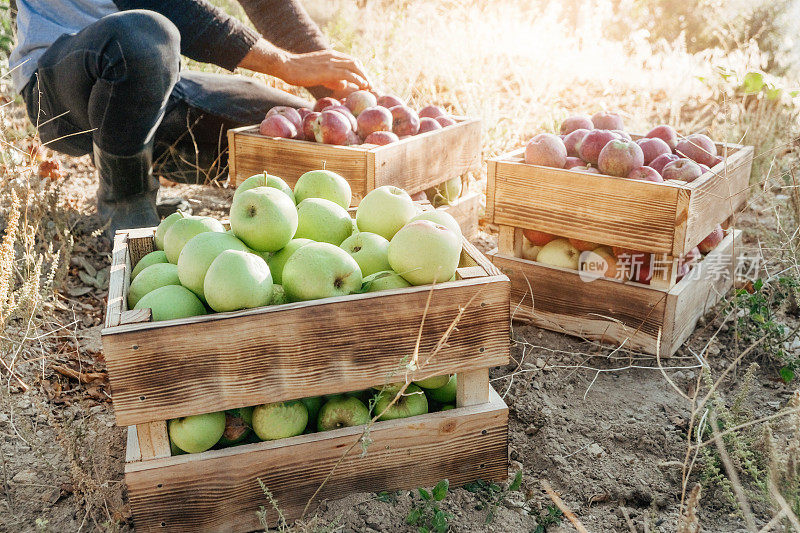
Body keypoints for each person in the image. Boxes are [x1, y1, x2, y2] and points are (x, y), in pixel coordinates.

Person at [8, 0, 372, 238]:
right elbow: (159, 4)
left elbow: (270, 5)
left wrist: (345, 104)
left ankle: (140, 156)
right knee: (144, 37)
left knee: (295, 130)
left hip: (151, 81)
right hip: (59, 82)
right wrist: (284, 64)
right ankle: (125, 207)